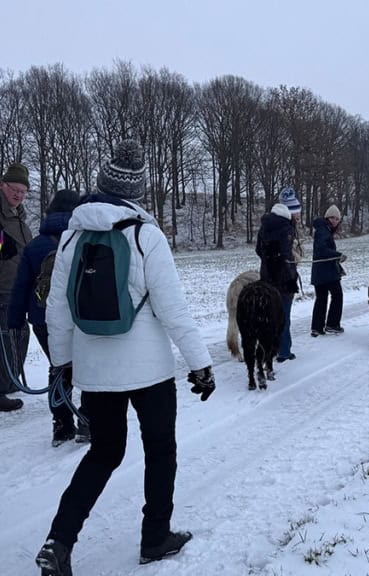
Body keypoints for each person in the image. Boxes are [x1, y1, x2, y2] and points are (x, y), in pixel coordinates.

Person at [36, 141, 215, 575]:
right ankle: (155, 537)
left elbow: (56, 309)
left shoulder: (70, 237)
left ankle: (58, 542)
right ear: (137, 189)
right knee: (160, 450)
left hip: (95, 372)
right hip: (149, 371)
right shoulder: (145, 235)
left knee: (102, 453)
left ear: (101, 184)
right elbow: (173, 309)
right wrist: (200, 364)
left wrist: (63, 362)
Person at [7, 189, 88, 446]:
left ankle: (61, 425)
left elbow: (21, 287)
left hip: (43, 319)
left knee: (58, 367)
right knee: (87, 368)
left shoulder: (34, 246)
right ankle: (87, 421)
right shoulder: (85, 238)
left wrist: (15, 320)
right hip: (80, 316)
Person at [0, 163, 33, 412]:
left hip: (16, 288)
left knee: (21, 335)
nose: (18, 195)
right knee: (0, 340)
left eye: (23, 191)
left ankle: (10, 381)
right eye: (14, 189)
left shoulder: (18, 217)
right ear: (2, 185)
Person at [255, 186, 301, 362]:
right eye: (296, 213)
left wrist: (269, 261)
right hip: (283, 280)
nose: (297, 216)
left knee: (269, 316)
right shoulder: (286, 228)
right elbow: (287, 257)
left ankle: (268, 350)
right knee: (283, 316)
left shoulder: (265, 226)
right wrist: (291, 277)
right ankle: (284, 351)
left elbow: (259, 250)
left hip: (266, 277)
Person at [310, 204, 345, 337]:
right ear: (327, 218)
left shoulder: (322, 229)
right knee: (337, 295)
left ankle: (317, 327)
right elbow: (322, 250)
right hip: (327, 272)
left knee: (321, 298)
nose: (335, 221)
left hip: (320, 272)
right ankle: (332, 324)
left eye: (337, 219)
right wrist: (338, 255)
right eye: (332, 218)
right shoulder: (324, 230)